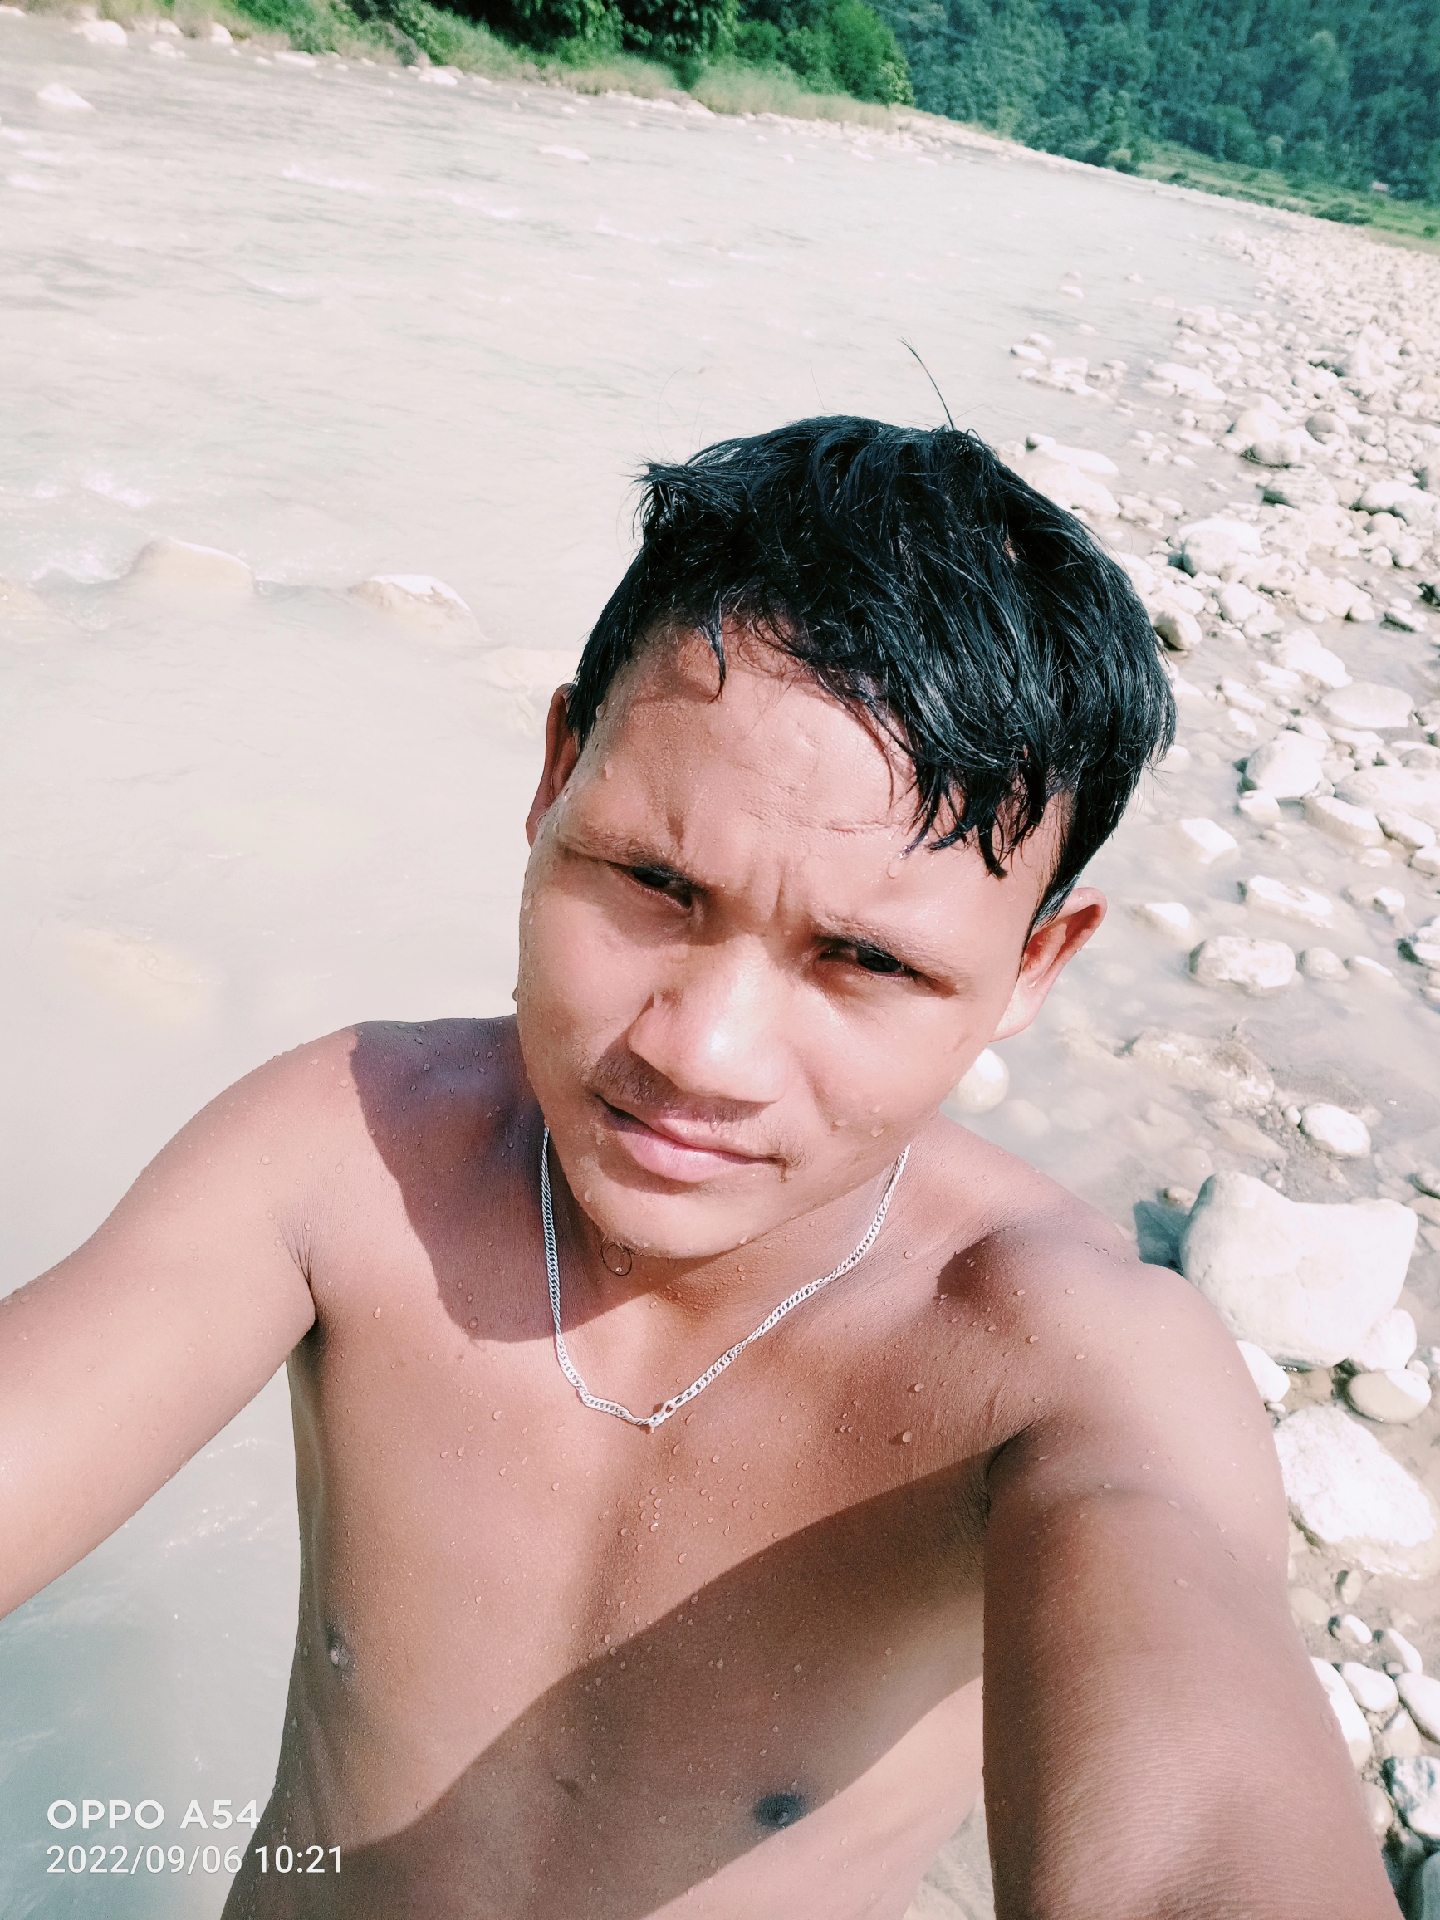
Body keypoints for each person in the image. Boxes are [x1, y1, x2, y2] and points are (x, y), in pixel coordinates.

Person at [1, 417, 1398, 1920]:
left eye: (866, 961)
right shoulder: (345, 1157)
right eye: (655, 882)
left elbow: (1200, 1831)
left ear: (1033, 969)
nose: (703, 1053)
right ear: (556, 775)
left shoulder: (1057, 1368)